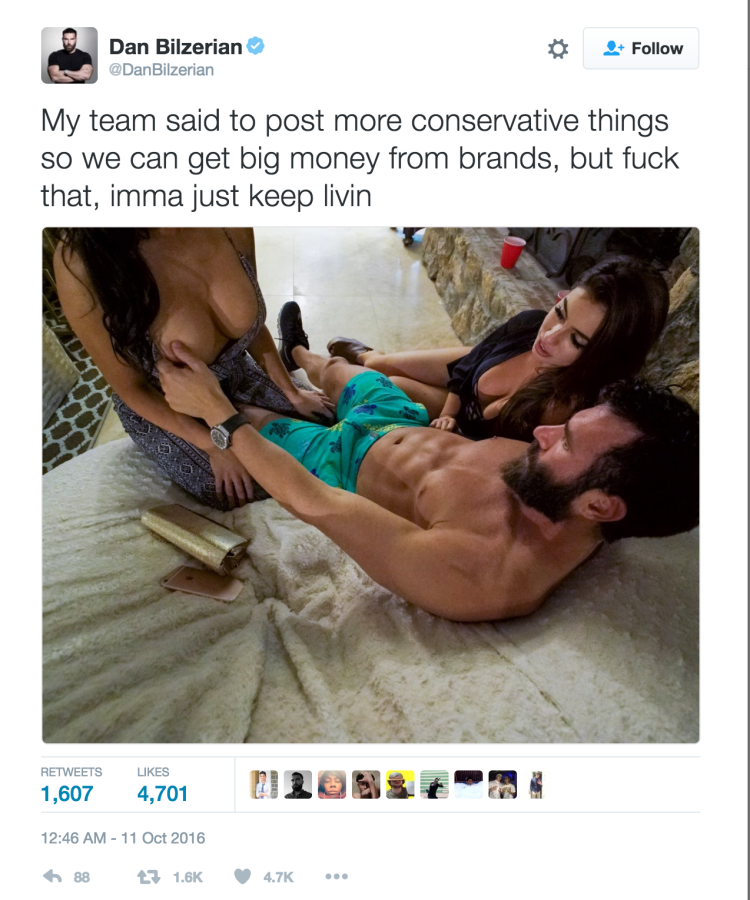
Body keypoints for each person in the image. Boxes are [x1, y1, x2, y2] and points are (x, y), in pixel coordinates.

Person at [157, 305, 699, 623]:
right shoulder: (581, 489)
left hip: (339, 461)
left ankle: (268, 399)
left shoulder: (481, 574)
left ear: (600, 506)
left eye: (566, 442)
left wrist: (219, 415)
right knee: (337, 371)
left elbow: (314, 502)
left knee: (249, 417)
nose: (542, 433)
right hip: (398, 419)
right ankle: (297, 355)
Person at [53, 228, 334, 510]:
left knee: (332, 432)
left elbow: (252, 324)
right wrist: (214, 444)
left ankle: (292, 352)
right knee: (257, 486)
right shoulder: (81, 261)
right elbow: (130, 387)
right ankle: (281, 371)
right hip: (170, 406)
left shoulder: (230, 223)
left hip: (235, 374)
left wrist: (291, 392)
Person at [326, 256, 669, 442]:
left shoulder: (572, 409)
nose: (548, 337)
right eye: (560, 312)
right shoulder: (530, 324)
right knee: (380, 366)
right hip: (464, 389)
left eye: (577, 340)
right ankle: (370, 354)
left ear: (605, 356)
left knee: (388, 385)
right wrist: (448, 412)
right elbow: (467, 366)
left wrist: (449, 428)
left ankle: (370, 365)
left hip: (469, 428)